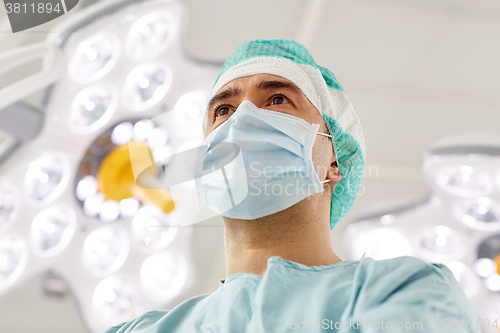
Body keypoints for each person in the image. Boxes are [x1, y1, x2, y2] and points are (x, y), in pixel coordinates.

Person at [105, 39, 480, 333]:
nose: (243, 120)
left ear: (335, 162)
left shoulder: (402, 291)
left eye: (277, 99)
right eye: (224, 110)